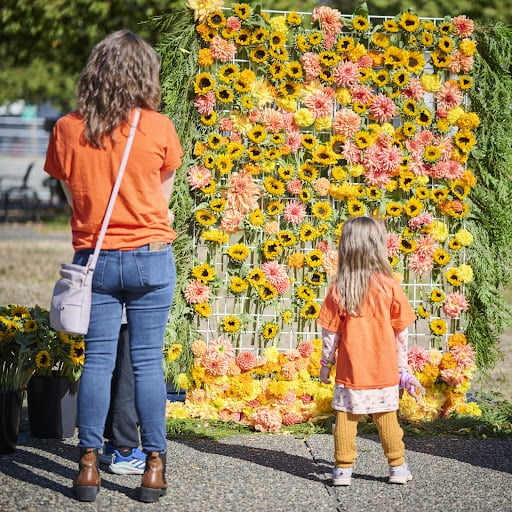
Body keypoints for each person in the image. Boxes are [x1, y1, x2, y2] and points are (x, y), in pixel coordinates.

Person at [44, 30, 183, 503]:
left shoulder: (67, 129)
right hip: (150, 257)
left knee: (98, 363)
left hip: (94, 261)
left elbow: (73, 200)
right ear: (145, 74)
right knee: (148, 362)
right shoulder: (159, 128)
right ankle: (153, 467)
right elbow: (161, 205)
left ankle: (87, 466)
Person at [317, 216, 424, 487]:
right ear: (378, 246)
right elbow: (402, 334)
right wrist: (402, 369)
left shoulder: (338, 288)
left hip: (351, 372)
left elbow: (330, 335)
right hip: (384, 371)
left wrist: (325, 365)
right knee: (387, 419)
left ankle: (342, 470)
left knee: (346, 419)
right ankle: (397, 467)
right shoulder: (390, 286)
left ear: (346, 248)